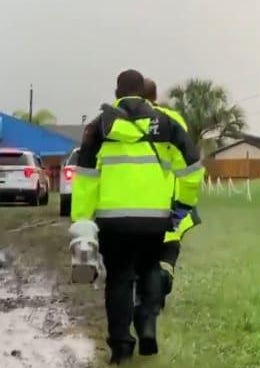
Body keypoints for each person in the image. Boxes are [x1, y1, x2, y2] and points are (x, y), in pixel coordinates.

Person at [71, 70, 204, 365]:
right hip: (155, 217)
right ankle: (146, 323)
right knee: (149, 268)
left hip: (112, 219)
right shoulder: (166, 123)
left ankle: (120, 347)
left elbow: (86, 180)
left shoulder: (99, 126)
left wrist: (82, 221)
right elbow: (193, 167)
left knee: (118, 278)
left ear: (117, 93)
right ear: (143, 93)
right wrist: (183, 202)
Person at [141, 78, 202, 309]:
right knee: (168, 247)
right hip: (170, 201)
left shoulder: (122, 121)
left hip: (136, 203)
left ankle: (146, 287)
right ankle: (163, 277)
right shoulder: (172, 120)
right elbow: (187, 159)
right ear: (155, 96)